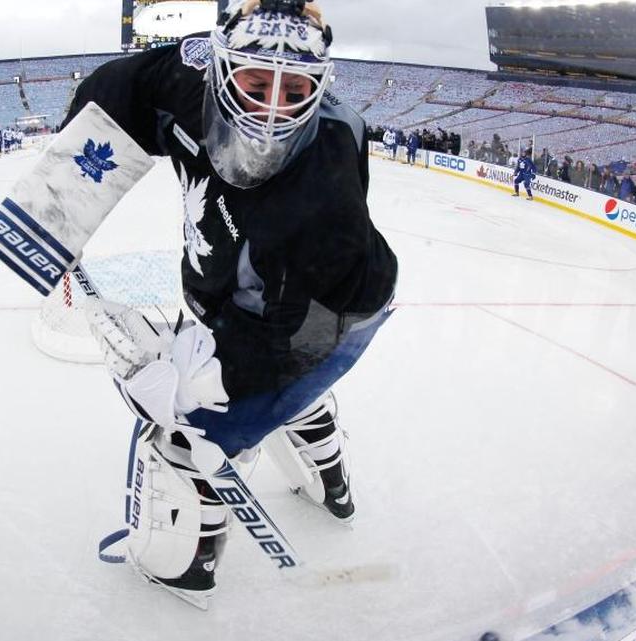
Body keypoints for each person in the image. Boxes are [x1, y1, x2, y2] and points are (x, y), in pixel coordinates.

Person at [64, 0, 396, 605]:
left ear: (319, 88)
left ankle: (183, 567)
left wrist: (201, 388)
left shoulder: (324, 193)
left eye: (293, 87)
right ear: (219, 67)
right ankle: (330, 482)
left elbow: (294, 336)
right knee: (265, 397)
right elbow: (119, 87)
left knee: (187, 434)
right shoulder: (188, 73)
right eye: (254, 81)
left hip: (332, 312)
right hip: (230, 286)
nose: (270, 109)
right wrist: (63, 187)